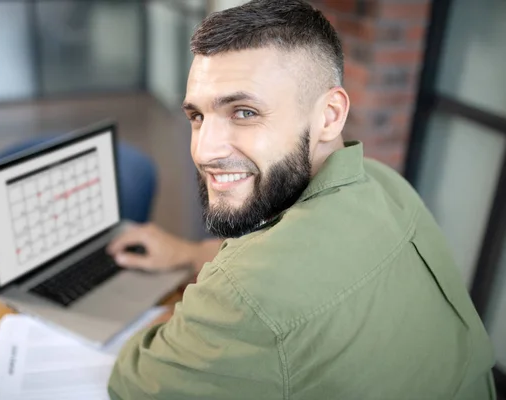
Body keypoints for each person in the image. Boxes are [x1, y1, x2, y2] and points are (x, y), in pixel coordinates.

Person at [106, 1, 496, 398]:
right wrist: (188, 253)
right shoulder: (385, 185)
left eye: (243, 112)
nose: (205, 151)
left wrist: (191, 316)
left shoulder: (246, 293)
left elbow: (133, 384)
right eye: (198, 116)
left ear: (329, 116)